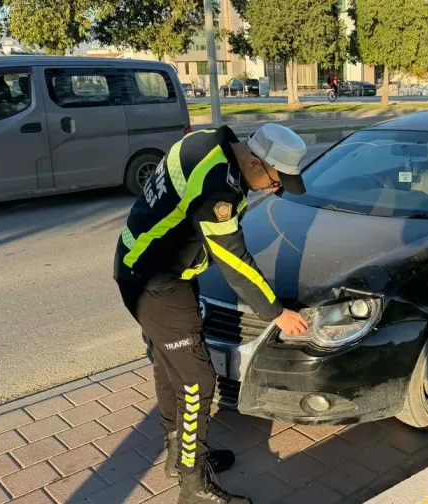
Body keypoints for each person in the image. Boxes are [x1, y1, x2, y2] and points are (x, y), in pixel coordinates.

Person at [113, 123, 311, 504]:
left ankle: (181, 457)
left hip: (146, 265)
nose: (276, 189)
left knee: (171, 370)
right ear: (255, 160)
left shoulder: (204, 140)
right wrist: (275, 312)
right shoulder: (217, 187)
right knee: (197, 382)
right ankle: (194, 486)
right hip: (155, 281)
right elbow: (233, 260)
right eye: (275, 180)